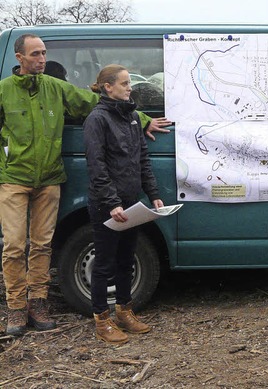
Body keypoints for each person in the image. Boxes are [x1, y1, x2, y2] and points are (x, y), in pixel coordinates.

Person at [0, 34, 170, 336]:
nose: (41, 59)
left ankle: (37, 303)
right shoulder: (3, 91)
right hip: (14, 178)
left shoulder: (55, 88)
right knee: (14, 245)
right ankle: (15, 308)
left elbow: (100, 102)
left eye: (44, 53)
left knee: (41, 245)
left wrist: (143, 118)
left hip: (50, 178)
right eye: (35, 54)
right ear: (19, 58)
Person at [83, 64, 164, 344]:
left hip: (132, 203)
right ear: (108, 87)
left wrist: (152, 193)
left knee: (127, 261)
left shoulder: (131, 117)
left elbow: (142, 159)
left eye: (129, 83)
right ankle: (101, 320)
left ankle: (124, 312)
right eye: (125, 83)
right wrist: (112, 202)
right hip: (108, 205)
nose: (130, 88)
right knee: (104, 264)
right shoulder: (97, 119)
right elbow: (97, 165)